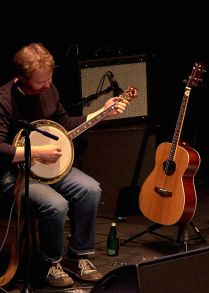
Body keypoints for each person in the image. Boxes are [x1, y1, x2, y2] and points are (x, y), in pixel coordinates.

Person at [0, 43, 129, 287]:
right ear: (21, 78)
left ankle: (78, 256)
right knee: (55, 204)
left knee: (90, 189)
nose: (47, 86)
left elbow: (66, 125)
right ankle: (51, 263)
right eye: (41, 82)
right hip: (13, 174)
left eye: (49, 79)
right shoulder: (4, 100)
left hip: (48, 167)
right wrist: (36, 152)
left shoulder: (49, 90)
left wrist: (102, 112)